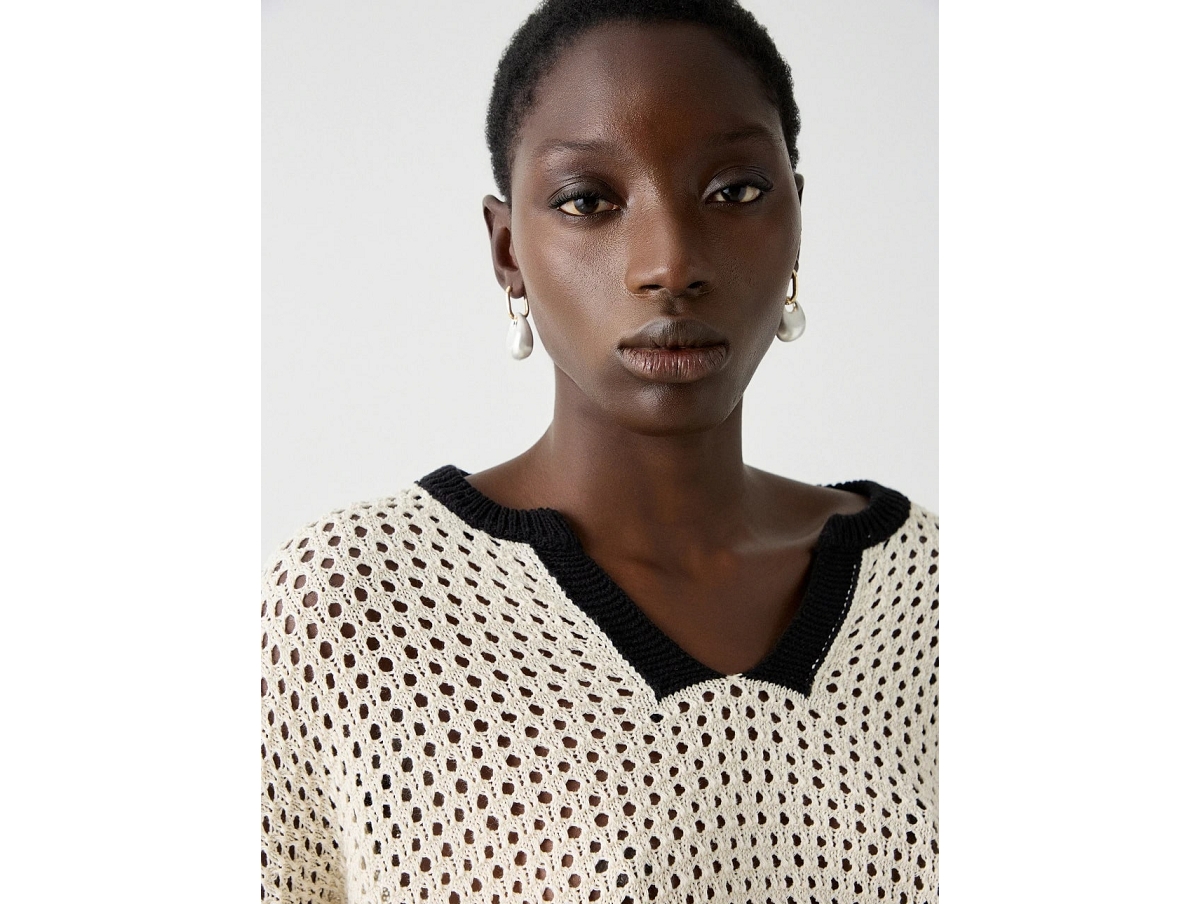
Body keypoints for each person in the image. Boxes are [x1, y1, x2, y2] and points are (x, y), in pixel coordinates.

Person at [261, 1, 938, 902]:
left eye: (734, 191)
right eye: (588, 201)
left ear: (797, 221)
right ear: (508, 250)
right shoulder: (354, 606)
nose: (670, 264)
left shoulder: (934, 595)